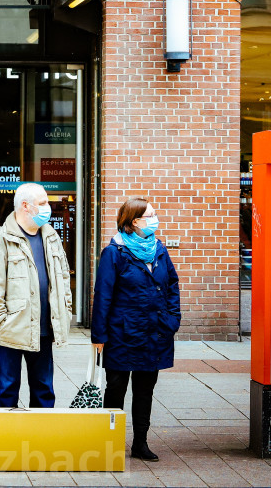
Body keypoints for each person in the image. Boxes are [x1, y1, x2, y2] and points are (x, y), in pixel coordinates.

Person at [91, 198, 180, 462]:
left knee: (145, 389)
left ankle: (140, 443)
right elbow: (103, 295)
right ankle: (110, 443)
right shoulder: (115, 252)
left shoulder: (159, 249)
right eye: (150, 215)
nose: (155, 219)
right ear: (135, 222)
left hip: (155, 332)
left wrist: (173, 318)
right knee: (116, 387)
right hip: (122, 333)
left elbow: (172, 285)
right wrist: (99, 336)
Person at [0, 182, 72, 409]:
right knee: (8, 391)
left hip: (44, 330)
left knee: (44, 391)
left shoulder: (51, 237)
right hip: (12, 331)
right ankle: (7, 441)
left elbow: (63, 279)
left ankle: (40, 441)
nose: (49, 207)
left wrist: (64, 309)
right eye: (43, 203)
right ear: (26, 206)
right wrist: (1, 322)